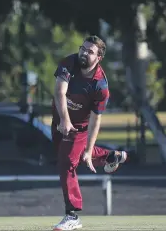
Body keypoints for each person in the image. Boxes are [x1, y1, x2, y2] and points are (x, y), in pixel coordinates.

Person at [51, 35, 127, 230]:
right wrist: (64, 120)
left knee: (67, 163)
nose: (84, 53)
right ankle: (111, 155)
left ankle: (72, 214)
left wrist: (89, 148)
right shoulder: (70, 62)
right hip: (60, 119)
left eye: (90, 51)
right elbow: (59, 92)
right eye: (83, 49)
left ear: (99, 57)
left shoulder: (101, 87)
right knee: (70, 156)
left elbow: (96, 119)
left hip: (80, 128)